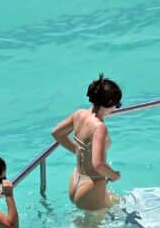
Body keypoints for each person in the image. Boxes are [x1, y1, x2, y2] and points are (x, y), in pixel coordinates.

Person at [51, 74, 124, 211]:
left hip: (76, 180)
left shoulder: (79, 114)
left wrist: (77, 150)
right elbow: (98, 165)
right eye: (117, 105)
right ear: (108, 103)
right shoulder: (99, 127)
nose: (116, 108)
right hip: (92, 184)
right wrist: (115, 176)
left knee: (118, 202)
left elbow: (57, 133)